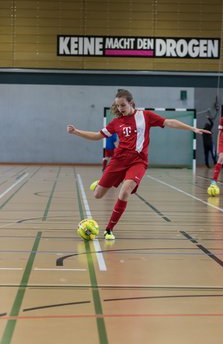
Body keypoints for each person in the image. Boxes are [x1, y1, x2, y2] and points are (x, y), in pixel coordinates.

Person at [67, 89, 211, 240]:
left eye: (123, 105)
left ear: (131, 103)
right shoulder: (116, 122)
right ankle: (101, 184)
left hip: (138, 161)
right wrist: (76, 131)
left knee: (124, 192)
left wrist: (192, 128)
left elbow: (169, 122)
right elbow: (97, 136)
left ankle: (109, 229)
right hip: (118, 160)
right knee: (97, 195)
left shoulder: (145, 116)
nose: (120, 109)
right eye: (118, 106)